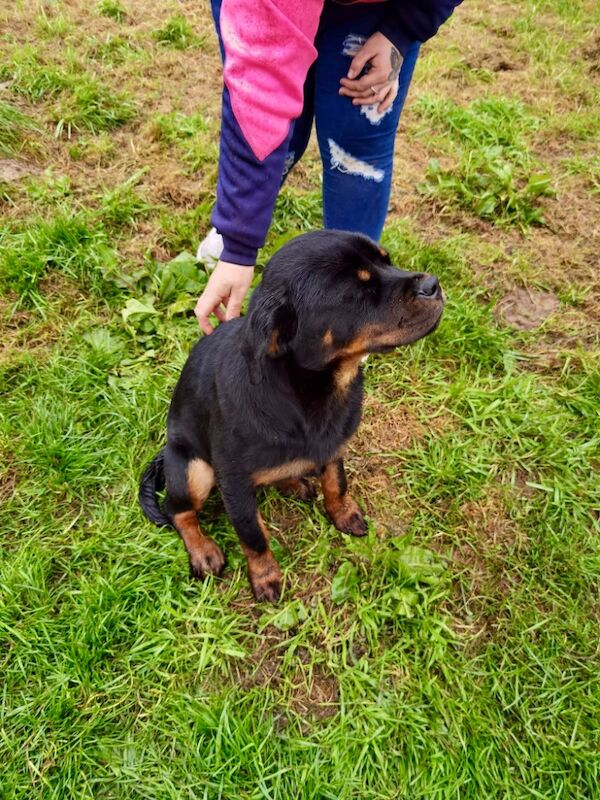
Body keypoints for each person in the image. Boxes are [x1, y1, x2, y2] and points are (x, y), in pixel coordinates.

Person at [194, 0, 462, 333]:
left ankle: (361, 297)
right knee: (283, 135)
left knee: (355, 145)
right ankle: (237, 221)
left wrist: (401, 30)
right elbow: (261, 95)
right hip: (269, 9)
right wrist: (239, 244)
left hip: (373, 9)